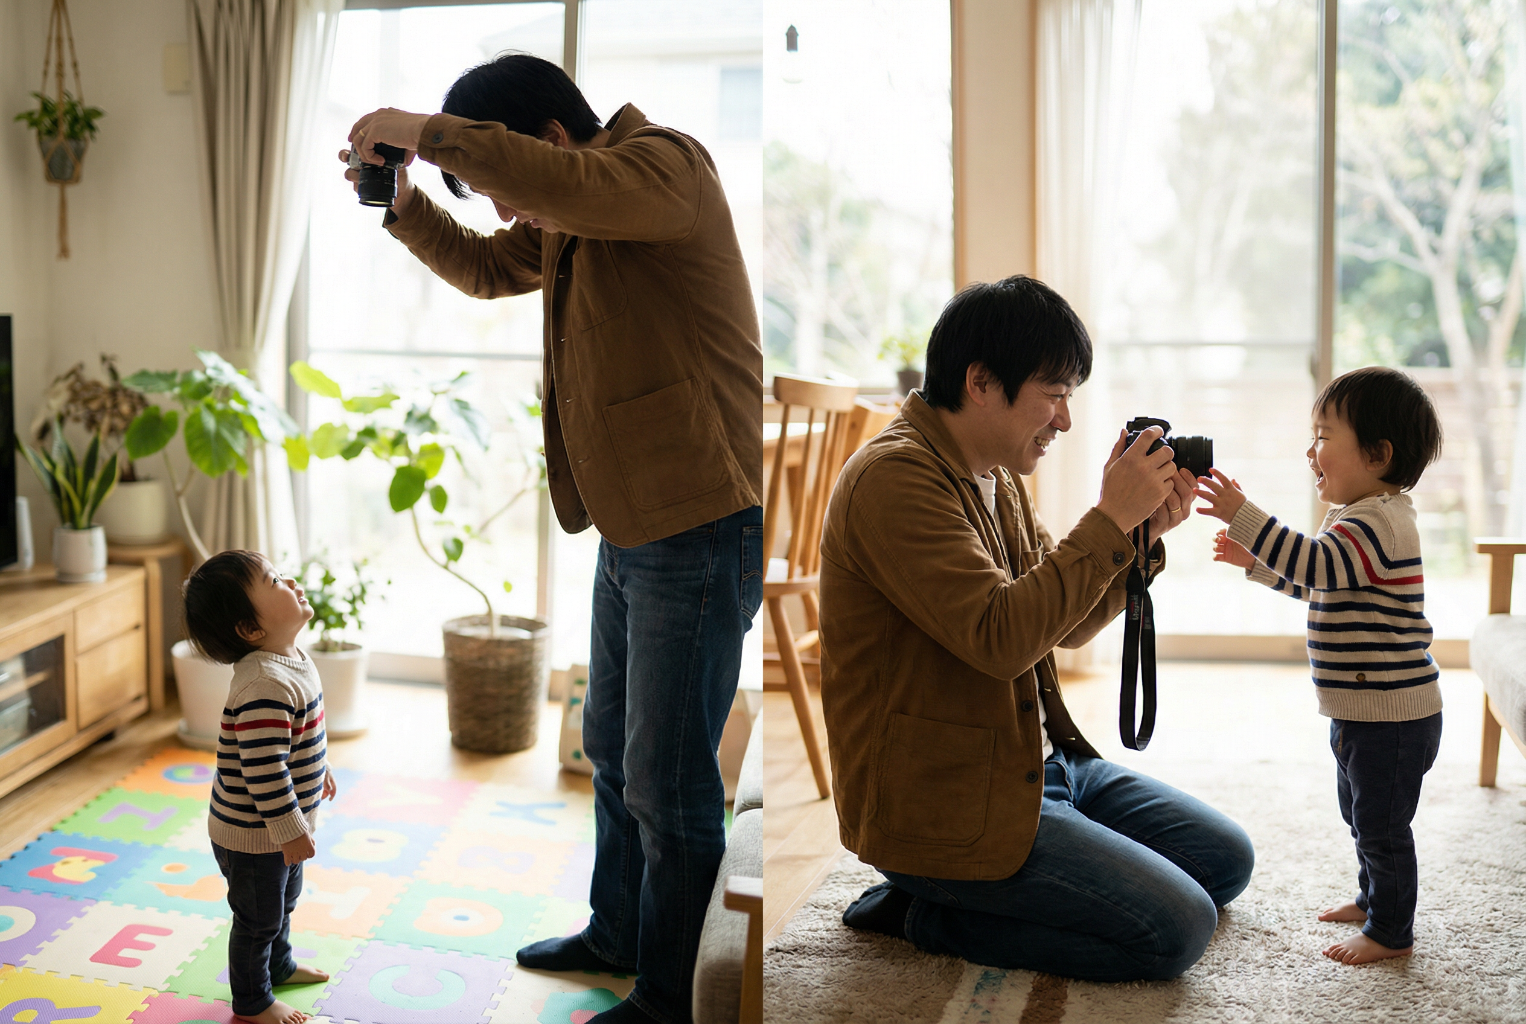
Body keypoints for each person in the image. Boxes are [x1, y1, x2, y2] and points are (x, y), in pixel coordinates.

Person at [341, 53, 762, 1024]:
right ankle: (616, 929)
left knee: (670, 779)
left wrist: (420, 126)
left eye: (498, 185)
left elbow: (556, 193)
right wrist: (405, 202)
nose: (504, 213)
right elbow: (491, 268)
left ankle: (671, 994)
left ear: (554, 140)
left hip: (696, 519)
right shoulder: (571, 219)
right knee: (610, 749)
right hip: (633, 517)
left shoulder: (661, 170)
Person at [819, 275, 1255, 981]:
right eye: (1053, 396)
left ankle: (1010, 874)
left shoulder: (996, 474)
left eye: (1070, 398)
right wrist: (1108, 519)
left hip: (1037, 762)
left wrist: (1136, 538)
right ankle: (924, 912)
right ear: (982, 382)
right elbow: (1001, 639)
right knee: (1177, 928)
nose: (1065, 422)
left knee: (1225, 861)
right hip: (947, 804)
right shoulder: (893, 481)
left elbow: (1063, 628)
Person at [1196, 365, 1443, 965]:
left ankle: (1391, 930)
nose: (1312, 451)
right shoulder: (1353, 519)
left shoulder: (1381, 521)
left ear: (1379, 454)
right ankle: (1372, 897)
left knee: (1382, 826)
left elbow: (1315, 567)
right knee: (1360, 815)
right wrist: (1255, 565)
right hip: (1361, 710)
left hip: (1394, 716)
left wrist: (1244, 515)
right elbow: (1321, 585)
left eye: (1325, 435)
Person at [183, 550, 337, 1024]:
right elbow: (264, 770)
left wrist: (321, 767)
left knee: (284, 902)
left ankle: (280, 965)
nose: (290, 581)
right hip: (253, 834)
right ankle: (253, 1001)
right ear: (250, 630)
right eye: (274, 581)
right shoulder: (264, 684)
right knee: (258, 918)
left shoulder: (289, 660)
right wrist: (290, 828)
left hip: (279, 828)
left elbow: (298, 739)